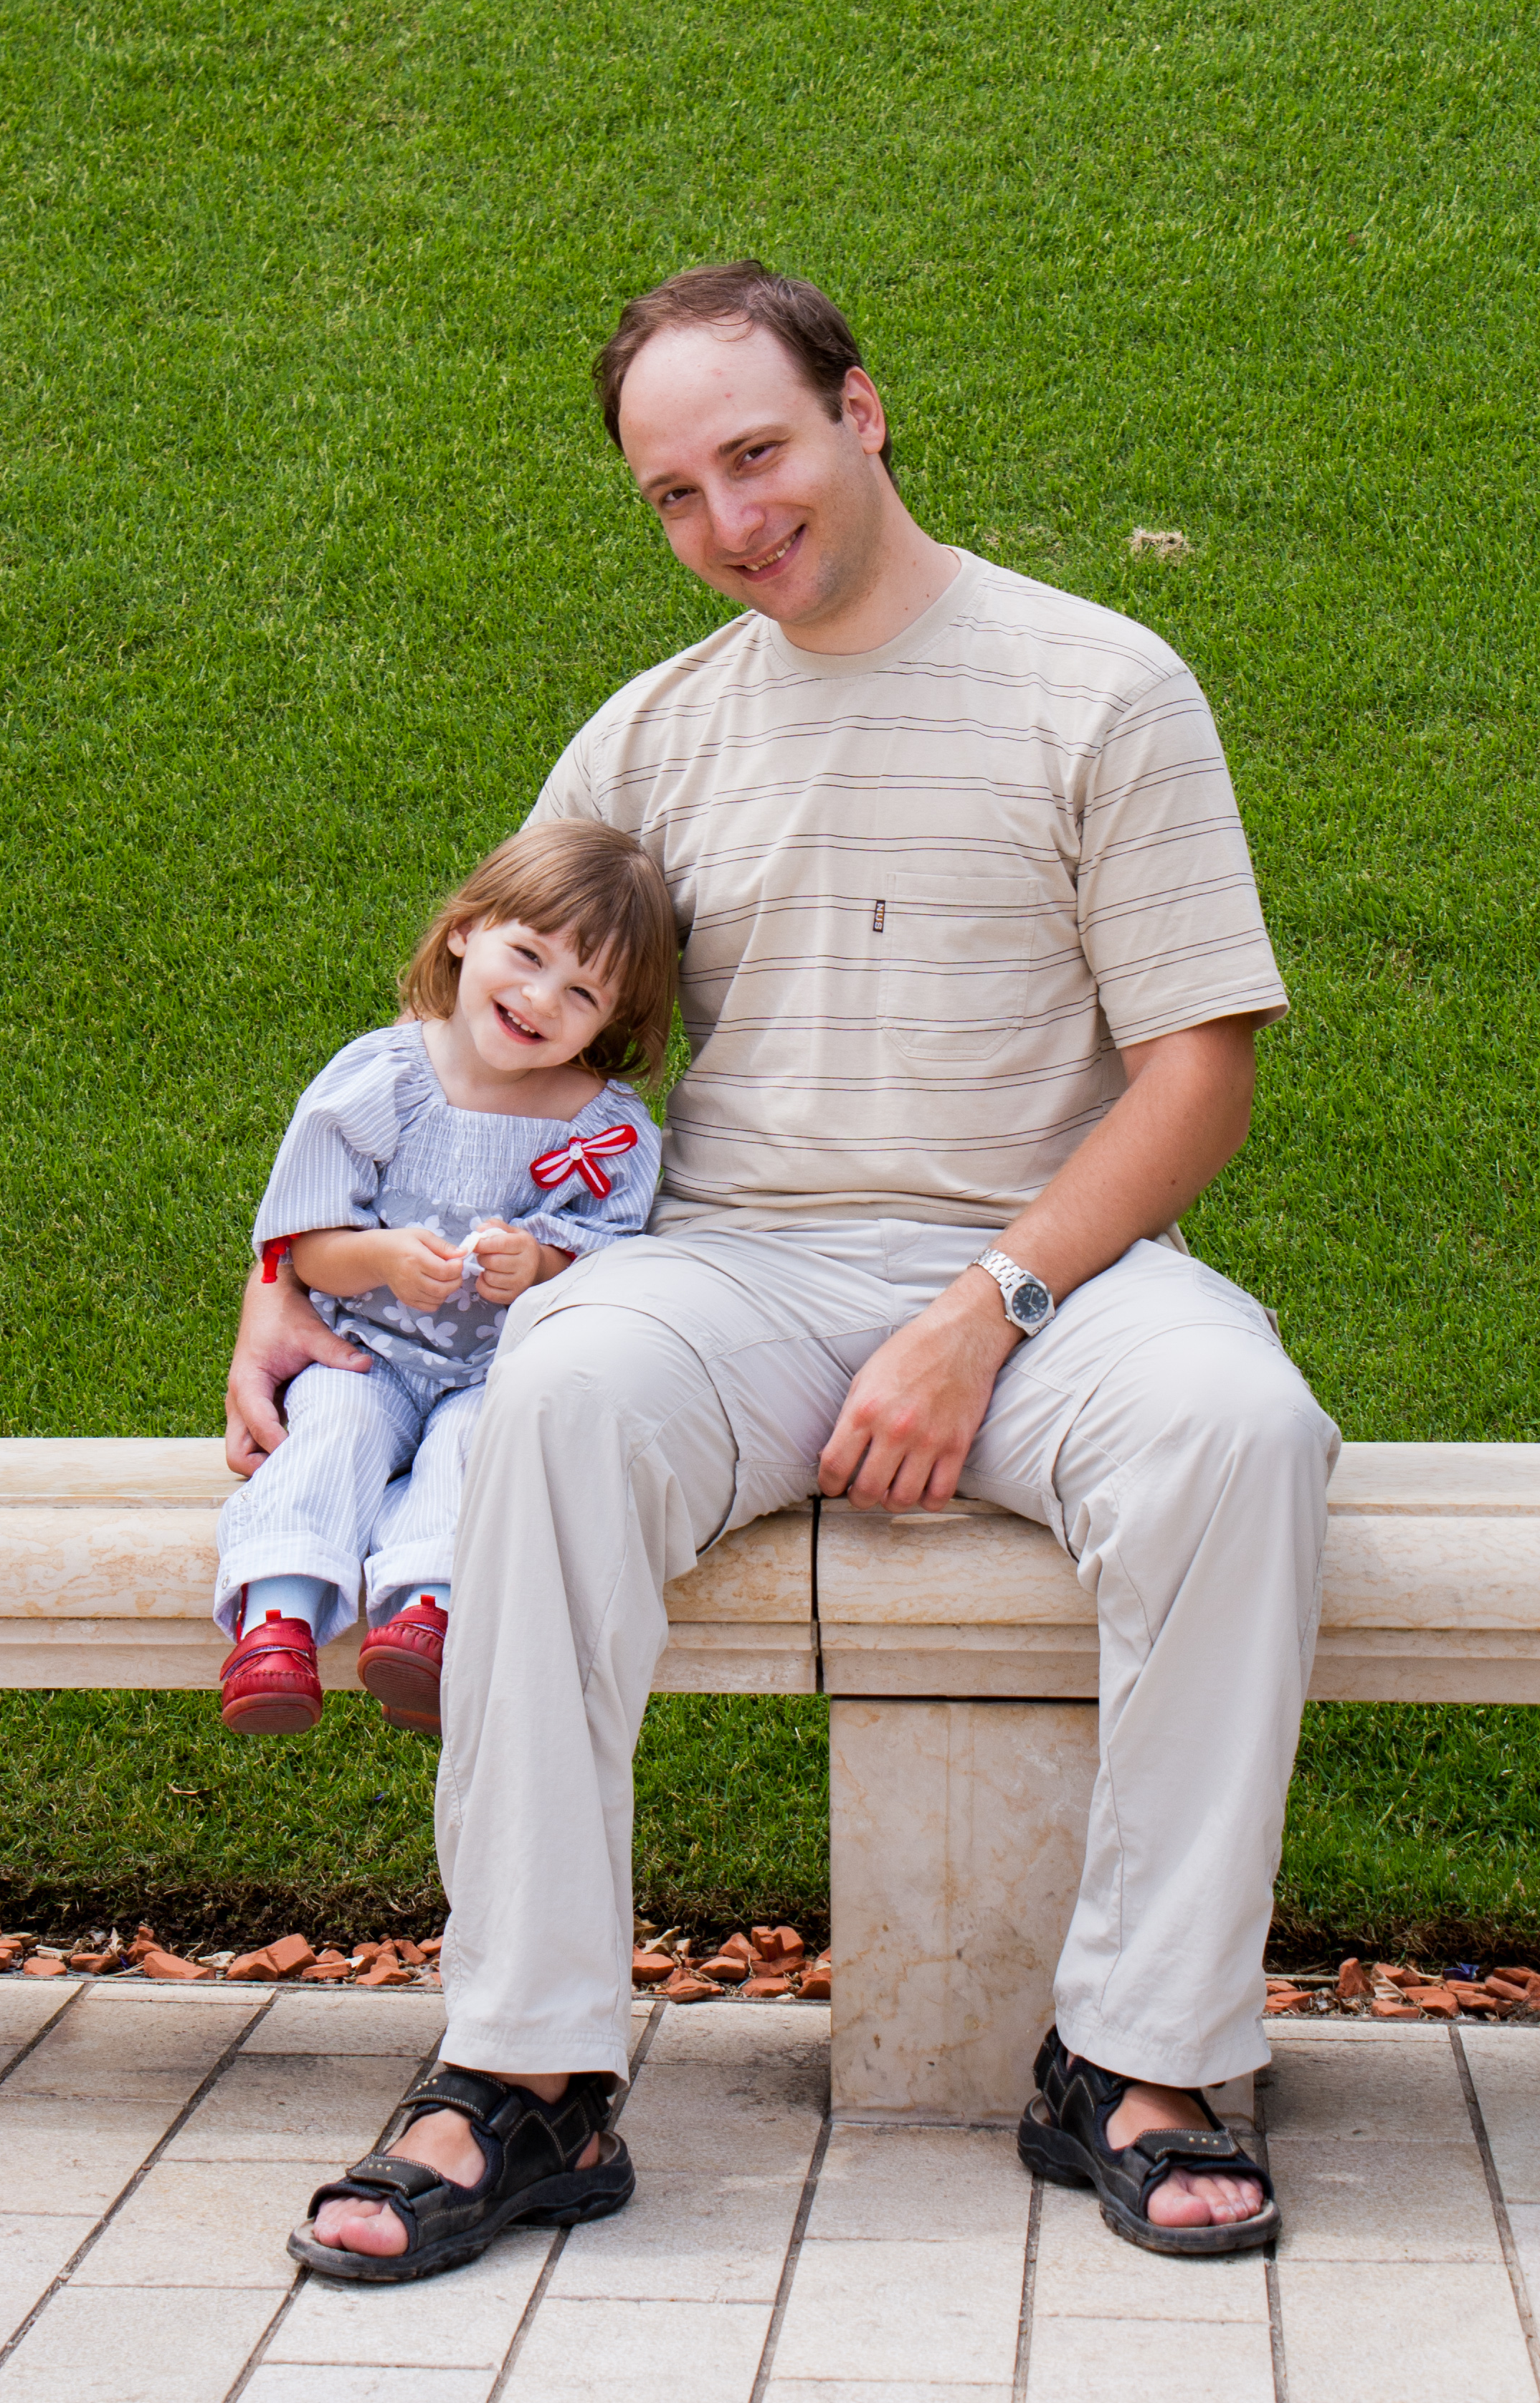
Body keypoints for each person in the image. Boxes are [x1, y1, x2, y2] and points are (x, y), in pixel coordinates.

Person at [226, 262, 1339, 2280]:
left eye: (756, 453)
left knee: (1241, 1427)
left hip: (1058, 1276)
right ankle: (527, 2071)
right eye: (675, 491)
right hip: (726, 1268)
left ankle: (1145, 2055)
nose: (730, 520)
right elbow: (464, 1044)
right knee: (558, 1387)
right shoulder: (652, 736)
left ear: (861, 410)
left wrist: (983, 1309)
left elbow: (1199, 1074)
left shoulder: (1101, 685)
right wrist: (276, 1277)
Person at [214, 820, 675, 1738]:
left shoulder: (607, 1130)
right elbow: (306, 1244)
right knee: (333, 1434)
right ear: (465, 930)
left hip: (494, 1375)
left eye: (581, 992)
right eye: (527, 955)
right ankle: (276, 1622)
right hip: (365, 1354)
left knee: (477, 1455)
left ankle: (427, 1618)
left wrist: (539, 1264)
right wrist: (382, 1258)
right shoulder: (381, 1077)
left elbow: (613, 1260)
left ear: (613, 1020)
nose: (539, 999)